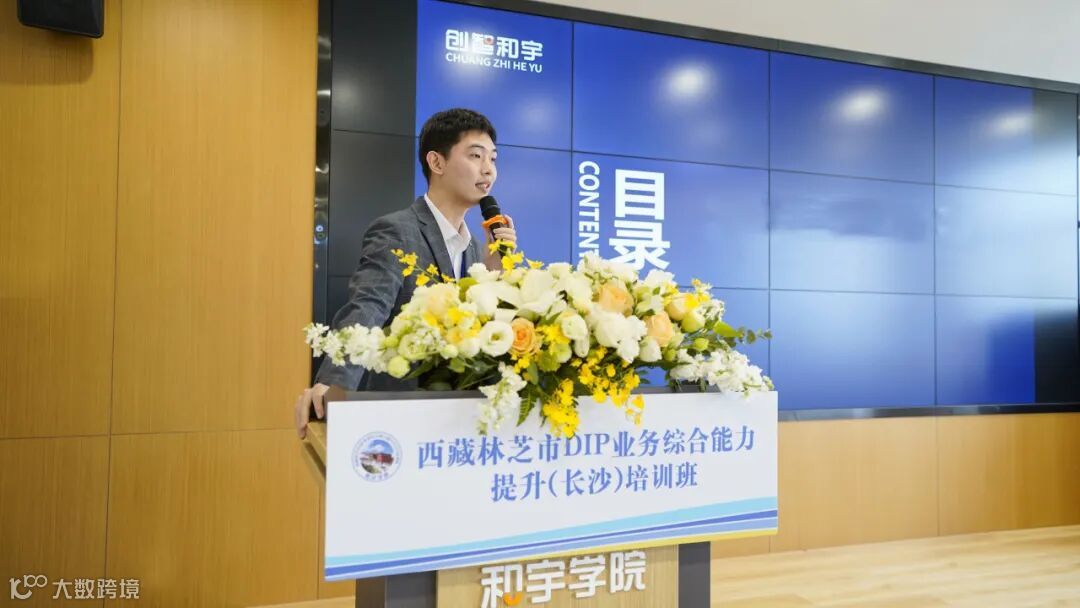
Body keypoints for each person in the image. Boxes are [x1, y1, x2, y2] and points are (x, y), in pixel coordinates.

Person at [295, 108, 517, 438]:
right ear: (436, 162)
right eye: (476, 155)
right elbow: (367, 307)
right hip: (398, 417)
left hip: (454, 421)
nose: (489, 169)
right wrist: (333, 383)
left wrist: (492, 274)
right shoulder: (397, 231)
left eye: (493, 158)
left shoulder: (474, 249)